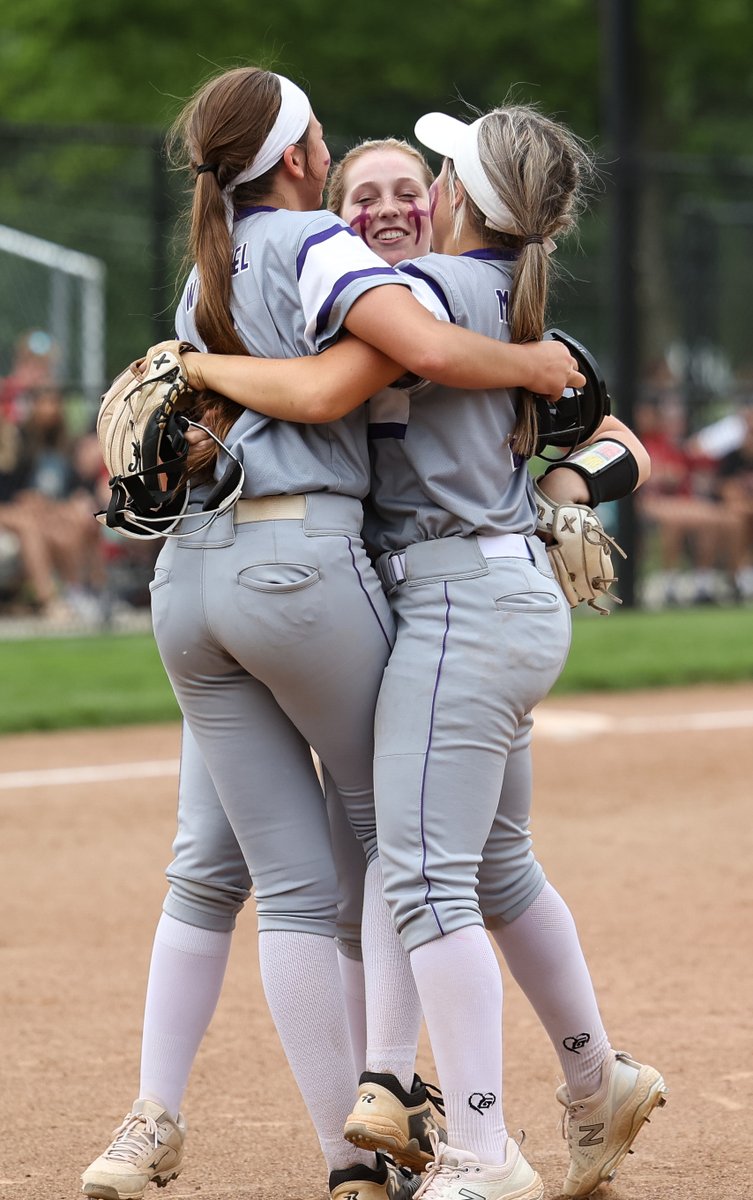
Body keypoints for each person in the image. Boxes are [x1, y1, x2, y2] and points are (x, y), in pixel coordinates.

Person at [81, 68, 582, 1200]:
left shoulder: (202, 270)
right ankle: (398, 1090)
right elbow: (350, 382)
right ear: (304, 158)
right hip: (298, 564)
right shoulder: (312, 240)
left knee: (269, 882)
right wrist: (532, 363)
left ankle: (342, 1165)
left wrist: (198, 364)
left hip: (188, 585)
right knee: (399, 840)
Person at [178, 102, 665, 1200]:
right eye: (370, 194)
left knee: (428, 873)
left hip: (452, 600)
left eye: (428, 178)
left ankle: (469, 1140)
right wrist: (563, 476)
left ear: (458, 196)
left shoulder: (433, 299)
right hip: (469, 598)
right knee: (495, 861)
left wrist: (194, 366)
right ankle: (597, 1081)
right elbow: (595, 411)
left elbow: (326, 389)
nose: (406, 202)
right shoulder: (502, 298)